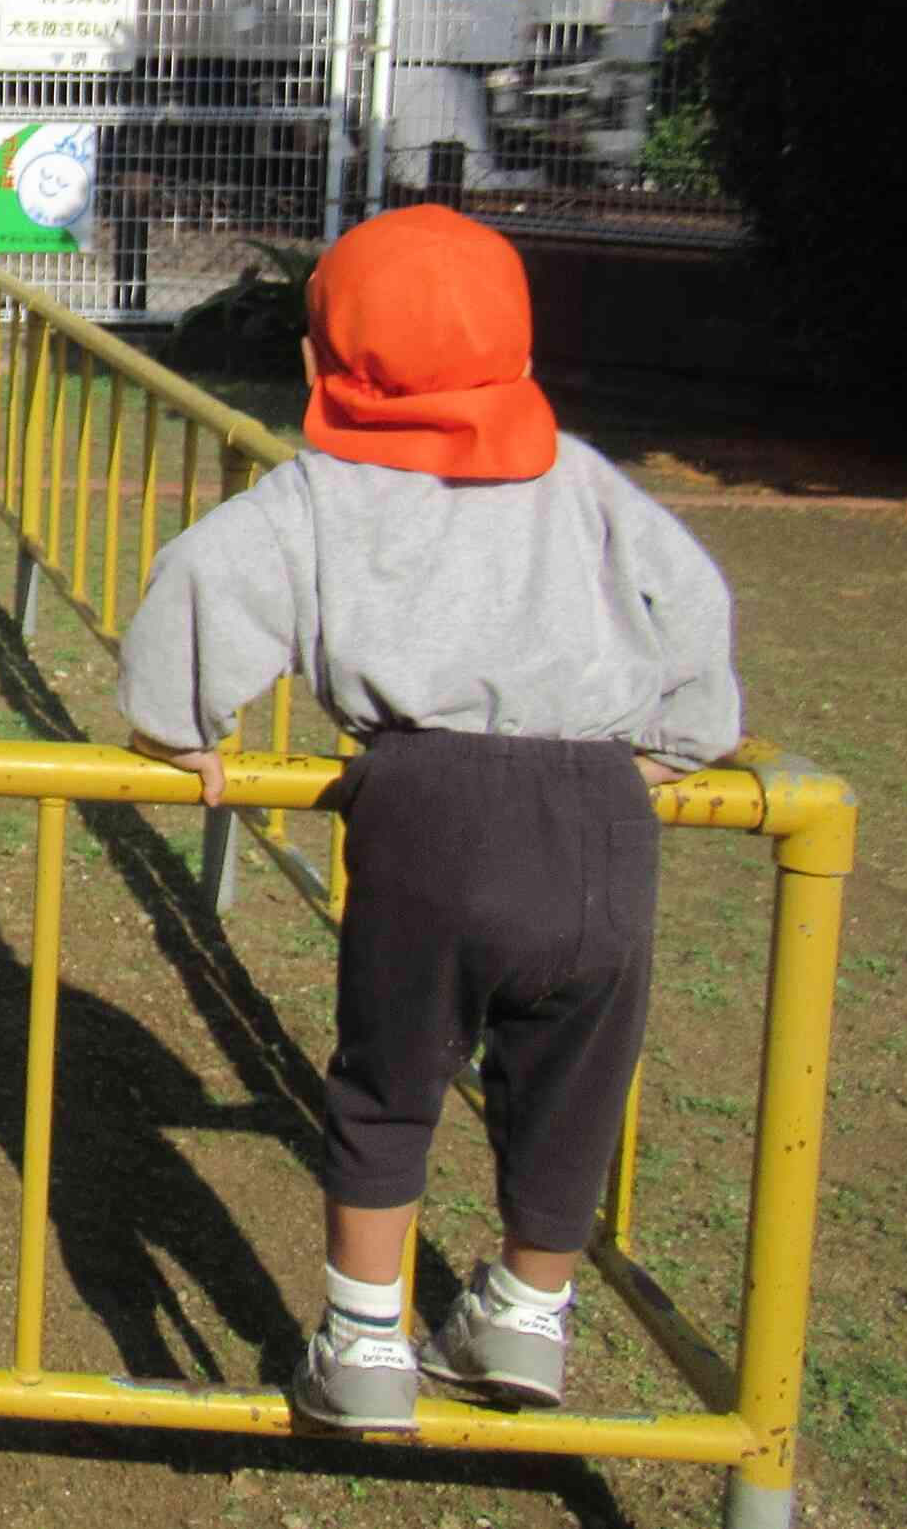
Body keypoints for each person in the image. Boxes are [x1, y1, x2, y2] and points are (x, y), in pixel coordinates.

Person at [118, 205, 742, 1432]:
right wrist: (679, 740)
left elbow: (205, 578)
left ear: (318, 358)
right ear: (523, 350)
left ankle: (364, 1341)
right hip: (599, 819)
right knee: (574, 1084)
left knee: (389, 1080)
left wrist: (178, 724)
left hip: (430, 806)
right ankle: (527, 1312)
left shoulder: (323, 493)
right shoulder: (586, 482)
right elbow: (693, 599)